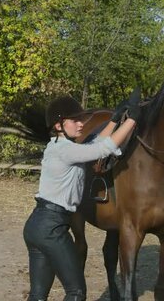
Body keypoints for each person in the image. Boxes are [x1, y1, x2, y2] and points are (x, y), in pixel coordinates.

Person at [23, 94, 140, 301]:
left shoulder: (58, 147)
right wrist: (132, 120)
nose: (81, 124)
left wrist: (114, 119)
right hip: (52, 228)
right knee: (76, 292)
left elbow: (94, 143)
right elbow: (104, 148)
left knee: (38, 295)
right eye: (75, 120)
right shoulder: (65, 151)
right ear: (59, 125)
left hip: (37, 226)